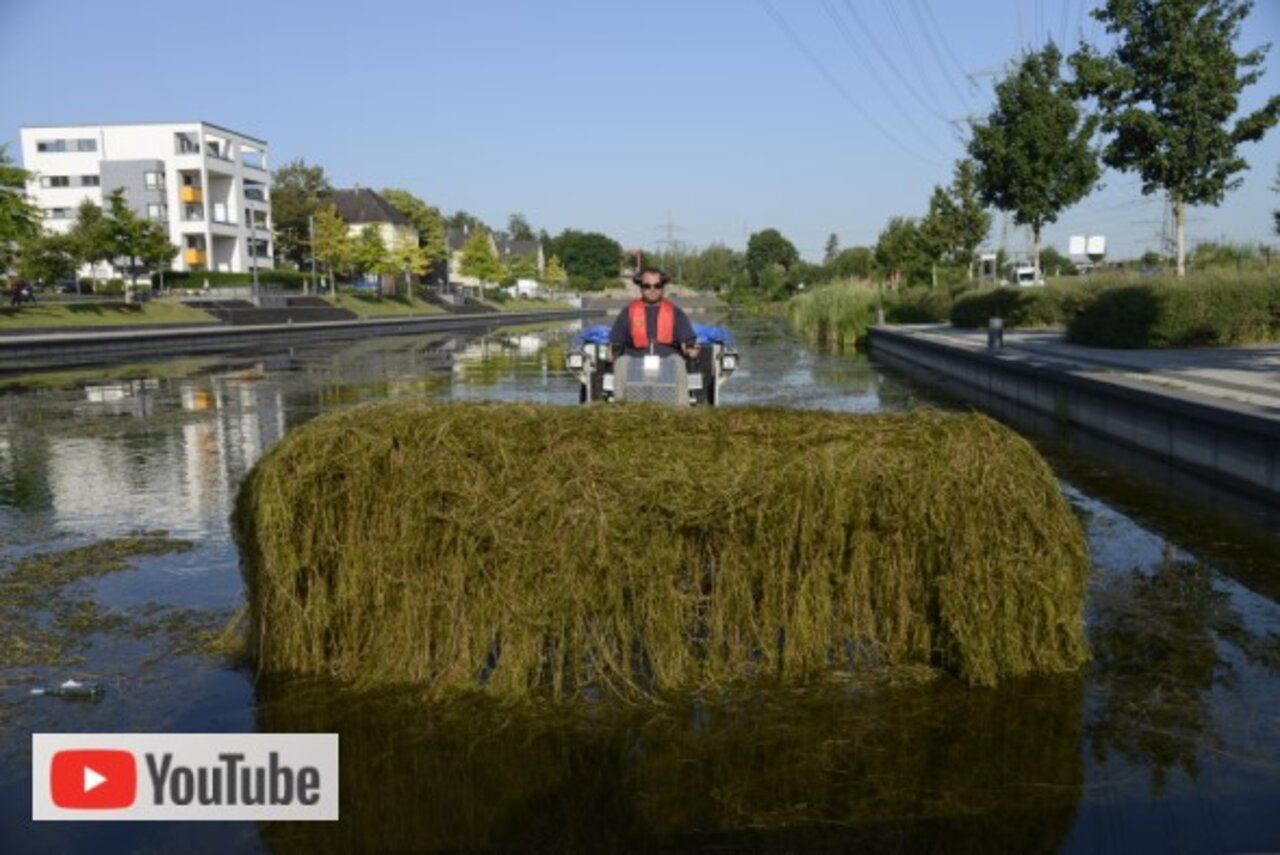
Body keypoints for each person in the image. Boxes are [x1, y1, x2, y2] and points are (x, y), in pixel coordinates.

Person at [608, 267, 700, 362]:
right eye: (647, 286)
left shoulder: (676, 313)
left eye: (657, 285)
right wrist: (612, 354)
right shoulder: (627, 313)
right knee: (623, 362)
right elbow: (614, 343)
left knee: (678, 361)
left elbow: (687, 342)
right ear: (641, 288)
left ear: (663, 287)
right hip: (635, 364)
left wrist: (691, 350)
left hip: (668, 366)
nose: (652, 289)